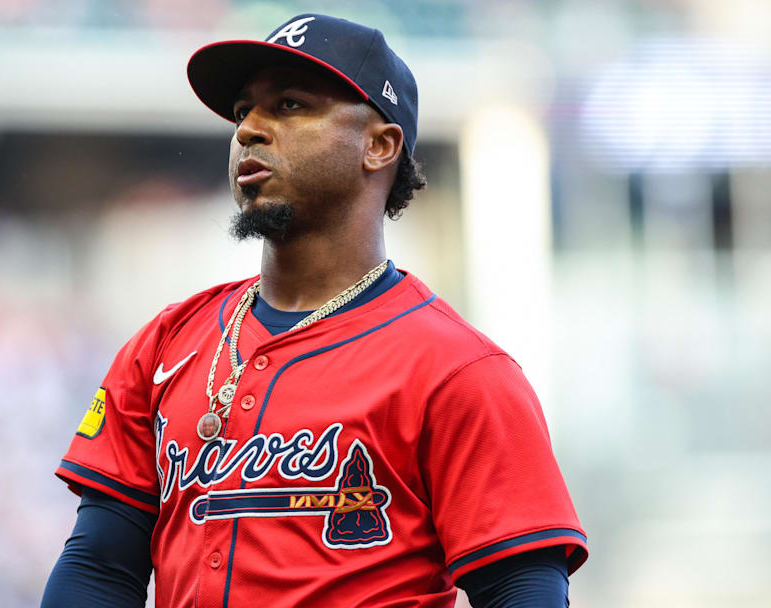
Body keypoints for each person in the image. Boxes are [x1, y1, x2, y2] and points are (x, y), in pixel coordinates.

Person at [42, 13, 587, 608]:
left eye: (290, 105)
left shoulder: (458, 370)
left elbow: (520, 590)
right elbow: (99, 567)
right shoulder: (167, 342)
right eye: (243, 111)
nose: (250, 130)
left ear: (378, 146)